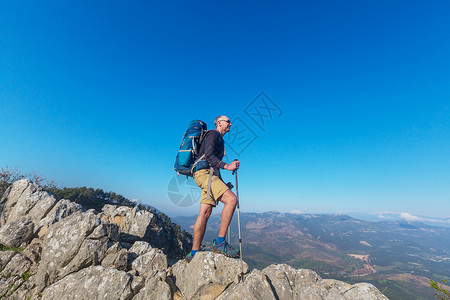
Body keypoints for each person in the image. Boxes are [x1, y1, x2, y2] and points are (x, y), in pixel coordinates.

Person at [185, 115, 241, 262]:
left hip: (207, 175)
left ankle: (193, 253)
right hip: (204, 174)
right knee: (231, 200)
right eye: (227, 121)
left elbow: (213, 166)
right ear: (219, 123)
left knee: (205, 213)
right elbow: (209, 157)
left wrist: (223, 183)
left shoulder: (218, 139)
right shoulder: (213, 134)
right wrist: (228, 166)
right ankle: (220, 242)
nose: (230, 123)